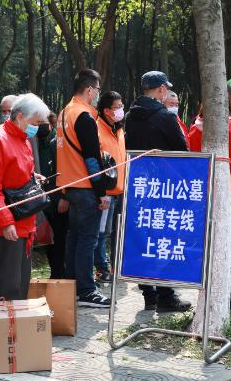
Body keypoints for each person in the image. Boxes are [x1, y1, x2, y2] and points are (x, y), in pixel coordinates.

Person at [187, 87, 231, 312]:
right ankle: (228, 302)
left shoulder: (193, 130)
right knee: (228, 255)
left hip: (201, 203)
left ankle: (206, 302)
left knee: (207, 254)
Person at [125, 71, 192, 313]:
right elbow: (181, 151)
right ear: (162, 90)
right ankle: (166, 295)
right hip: (165, 187)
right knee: (164, 239)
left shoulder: (131, 116)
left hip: (140, 186)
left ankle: (148, 294)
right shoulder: (164, 116)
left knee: (144, 239)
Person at [0, 94, 51, 300]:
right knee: (9, 283)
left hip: (24, 219)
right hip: (8, 223)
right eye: (35, 122)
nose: (37, 127)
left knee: (21, 280)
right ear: (20, 116)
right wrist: (5, 222)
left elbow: (16, 171)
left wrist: (32, 176)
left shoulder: (22, 138)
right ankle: (4, 327)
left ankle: (18, 325)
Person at [57, 69, 112, 308]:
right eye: (98, 90)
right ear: (89, 90)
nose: (98, 95)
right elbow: (92, 159)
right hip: (86, 186)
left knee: (75, 239)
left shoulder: (64, 113)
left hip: (70, 186)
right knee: (87, 240)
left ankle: (73, 285)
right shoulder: (84, 116)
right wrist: (101, 192)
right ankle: (87, 290)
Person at [95, 91, 127, 283]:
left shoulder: (119, 129)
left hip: (120, 190)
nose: (121, 110)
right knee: (101, 233)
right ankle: (101, 268)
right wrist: (102, 191)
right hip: (105, 192)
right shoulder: (96, 128)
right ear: (107, 110)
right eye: (118, 107)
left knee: (113, 232)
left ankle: (113, 266)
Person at [38, 112, 69, 278]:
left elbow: (64, 172)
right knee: (48, 241)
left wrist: (64, 197)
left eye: (44, 122)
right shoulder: (34, 144)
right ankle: (55, 273)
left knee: (59, 240)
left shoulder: (56, 144)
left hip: (58, 201)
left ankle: (60, 274)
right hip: (43, 203)